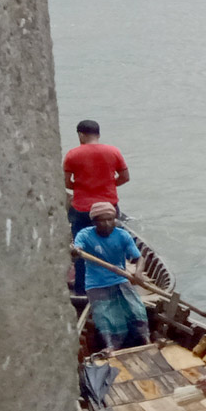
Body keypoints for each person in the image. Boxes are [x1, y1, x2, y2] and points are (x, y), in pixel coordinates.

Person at [63, 119, 129, 295]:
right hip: (108, 208)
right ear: (98, 135)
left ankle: (81, 289)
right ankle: (117, 284)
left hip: (82, 208)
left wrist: (84, 187)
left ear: (80, 135)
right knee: (114, 243)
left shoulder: (72, 155)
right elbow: (124, 177)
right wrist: (107, 184)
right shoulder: (113, 151)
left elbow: (66, 183)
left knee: (80, 247)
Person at [73, 202, 148, 349]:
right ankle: (110, 347)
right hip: (96, 283)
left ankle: (146, 340)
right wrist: (76, 252)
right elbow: (77, 248)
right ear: (94, 222)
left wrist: (138, 273)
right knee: (104, 316)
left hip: (120, 277)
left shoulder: (122, 235)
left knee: (137, 309)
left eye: (110, 219)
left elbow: (139, 258)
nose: (107, 224)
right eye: (102, 220)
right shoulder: (85, 235)